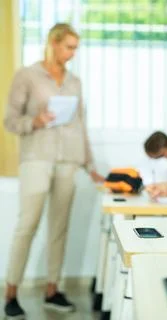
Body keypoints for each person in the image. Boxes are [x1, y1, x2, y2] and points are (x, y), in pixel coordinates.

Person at [3, 23, 104, 318]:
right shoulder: (28, 76)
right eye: (69, 47)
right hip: (37, 156)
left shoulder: (75, 82)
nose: (72, 54)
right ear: (53, 43)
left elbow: (80, 125)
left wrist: (90, 166)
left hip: (68, 160)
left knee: (59, 227)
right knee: (27, 225)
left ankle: (52, 290)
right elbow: (10, 120)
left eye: (75, 48)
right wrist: (35, 121)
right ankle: (11, 293)